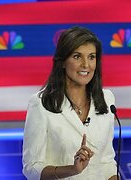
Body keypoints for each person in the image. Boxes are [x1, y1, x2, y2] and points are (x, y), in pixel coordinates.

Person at [22, 26, 119, 180]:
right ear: (62, 62)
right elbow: (32, 167)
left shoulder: (107, 99)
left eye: (91, 57)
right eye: (77, 56)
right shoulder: (41, 103)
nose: (86, 65)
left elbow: (107, 161)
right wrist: (72, 169)